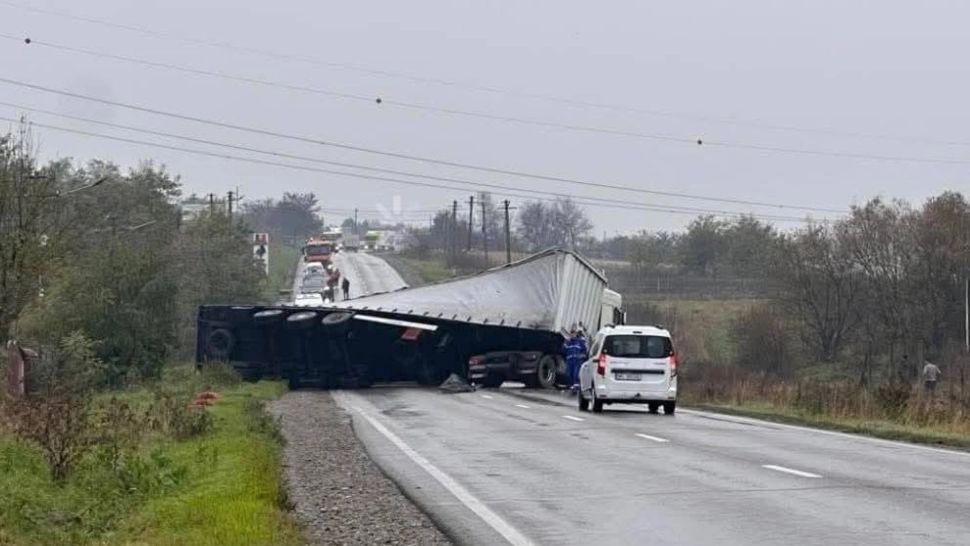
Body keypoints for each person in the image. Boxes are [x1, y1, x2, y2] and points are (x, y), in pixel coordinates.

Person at [563, 328, 588, 394]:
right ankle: (572, 387)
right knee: (569, 374)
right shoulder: (568, 343)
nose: (572, 335)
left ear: (576, 334)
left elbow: (584, 350)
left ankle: (576, 387)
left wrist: (582, 356)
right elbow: (563, 350)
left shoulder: (579, 342)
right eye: (571, 333)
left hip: (577, 361)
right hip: (570, 361)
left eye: (574, 333)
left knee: (576, 374)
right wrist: (566, 342)